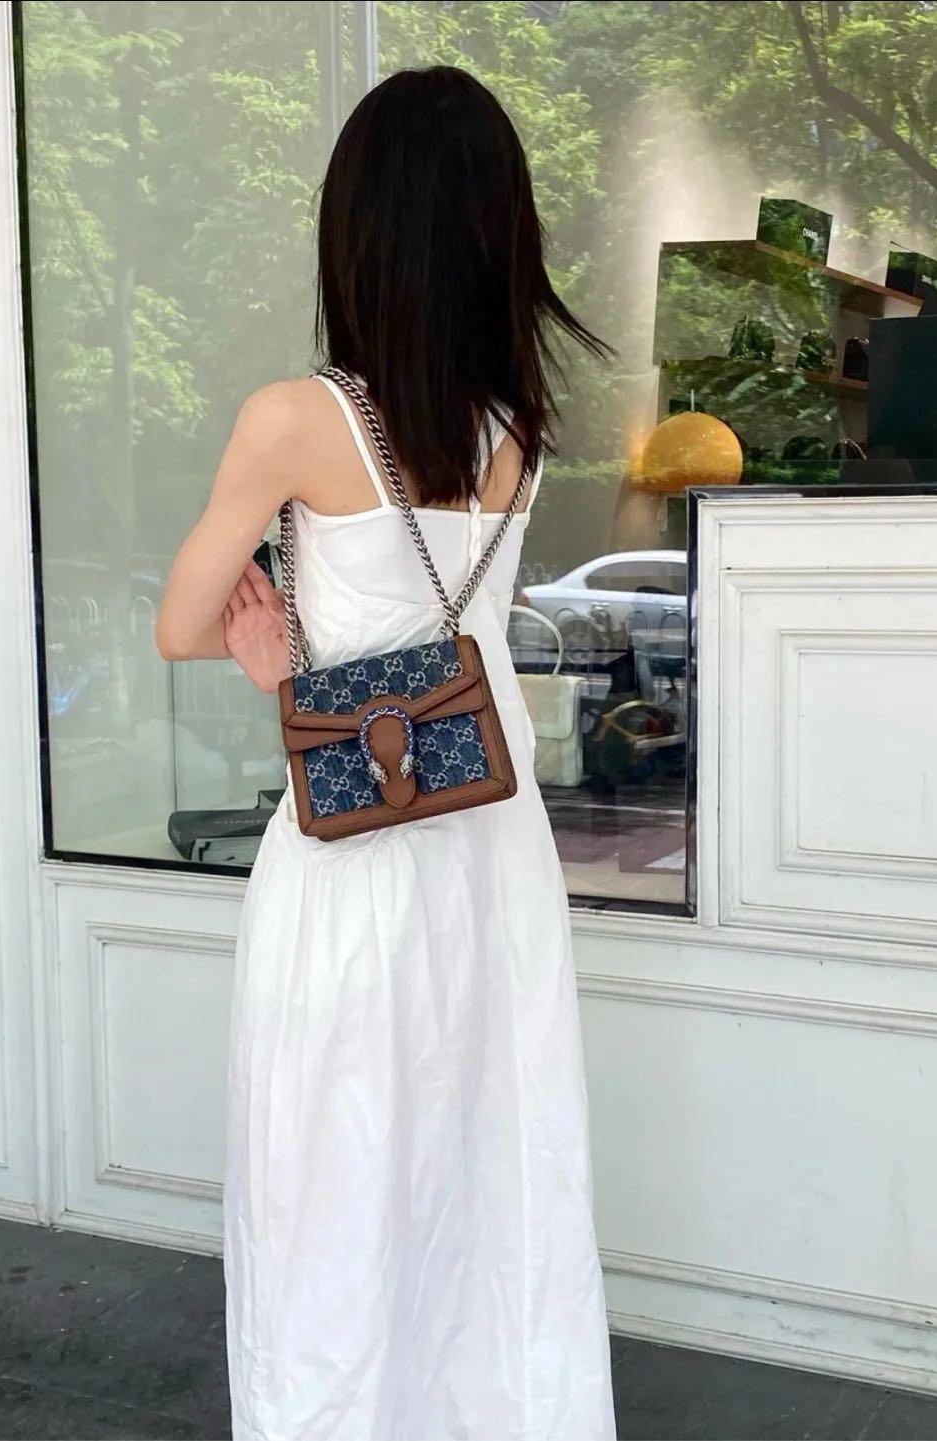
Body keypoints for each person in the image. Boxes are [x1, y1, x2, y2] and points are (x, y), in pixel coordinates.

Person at [155, 64, 617, 1441]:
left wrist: (277, 656)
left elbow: (183, 622)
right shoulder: (519, 428)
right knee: (488, 1158)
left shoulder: (296, 421)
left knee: (335, 1168)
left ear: (355, 230)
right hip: (489, 835)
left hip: (353, 842)